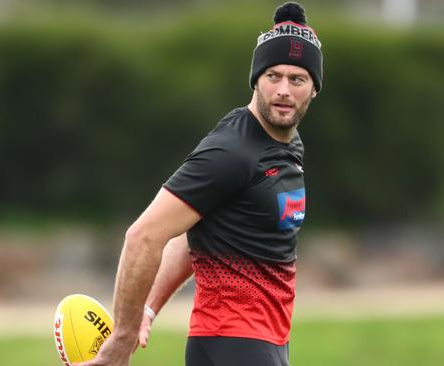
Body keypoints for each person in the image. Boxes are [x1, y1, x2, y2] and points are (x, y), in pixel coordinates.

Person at [75, 2, 322, 365]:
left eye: (297, 79)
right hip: (235, 345)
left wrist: (149, 309)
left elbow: (196, 231)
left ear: (314, 88)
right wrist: (122, 337)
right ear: (255, 79)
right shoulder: (232, 152)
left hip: (261, 343)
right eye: (273, 76)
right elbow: (143, 236)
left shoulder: (285, 143)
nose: (283, 90)